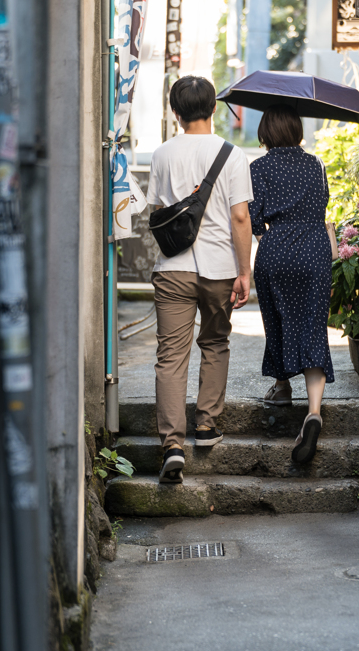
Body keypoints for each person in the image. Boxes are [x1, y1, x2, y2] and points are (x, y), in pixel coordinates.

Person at [146, 76, 253, 483]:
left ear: (176, 112)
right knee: (215, 343)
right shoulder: (232, 154)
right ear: (212, 110)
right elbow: (240, 217)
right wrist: (244, 272)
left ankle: (172, 444)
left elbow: (159, 209)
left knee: (171, 357)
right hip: (218, 268)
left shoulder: (161, 154)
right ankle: (206, 426)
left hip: (172, 267)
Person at [248, 105, 334, 464]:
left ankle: (283, 388)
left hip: (276, 249)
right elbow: (323, 206)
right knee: (313, 327)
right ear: (297, 129)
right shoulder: (315, 165)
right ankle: (313, 412)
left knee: (279, 320)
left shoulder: (258, 168)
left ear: (266, 131)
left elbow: (253, 219)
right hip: (315, 249)